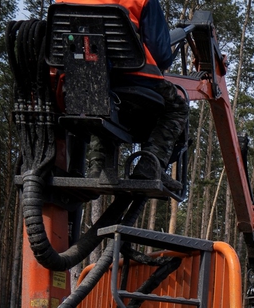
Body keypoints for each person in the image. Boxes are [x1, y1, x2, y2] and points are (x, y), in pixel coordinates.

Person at [72, 0, 190, 182]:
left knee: (98, 98)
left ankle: (97, 166)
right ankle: (149, 165)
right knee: (177, 107)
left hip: (80, 79)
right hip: (132, 77)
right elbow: (161, 54)